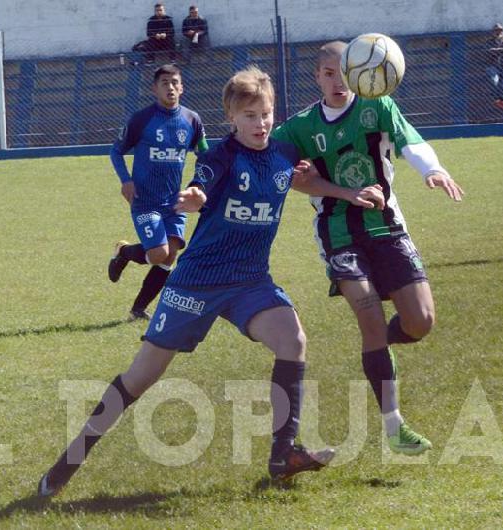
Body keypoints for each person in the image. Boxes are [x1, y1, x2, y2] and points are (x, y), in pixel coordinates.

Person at [38, 65, 386, 497]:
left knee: (293, 341)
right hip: (195, 285)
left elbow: (300, 181)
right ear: (232, 117)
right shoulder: (218, 158)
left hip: (250, 282)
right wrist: (193, 198)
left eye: (266, 114)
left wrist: (349, 193)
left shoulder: (281, 153)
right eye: (250, 115)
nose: (260, 124)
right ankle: (67, 463)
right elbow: (200, 186)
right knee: (139, 379)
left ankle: (284, 455)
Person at [272, 41, 465, 456]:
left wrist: (432, 170)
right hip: (338, 233)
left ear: (358, 72)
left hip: (387, 227)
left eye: (343, 72)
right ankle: (395, 425)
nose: (336, 80)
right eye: (327, 73)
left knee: (421, 321)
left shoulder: (378, 108)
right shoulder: (300, 127)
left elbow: (409, 140)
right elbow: (273, 163)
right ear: (316, 78)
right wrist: (293, 173)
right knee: (370, 316)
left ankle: (378, 352)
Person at [108, 64, 207, 321]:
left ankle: (138, 309)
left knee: (171, 253)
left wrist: (197, 183)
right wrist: (126, 180)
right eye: (164, 82)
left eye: (175, 82)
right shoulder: (141, 119)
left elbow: (205, 155)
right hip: (145, 201)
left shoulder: (192, 120)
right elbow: (116, 151)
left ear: (182, 87)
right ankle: (125, 252)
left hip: (175, 202)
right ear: (155, 88)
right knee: (158, 255)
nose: (170, 87)